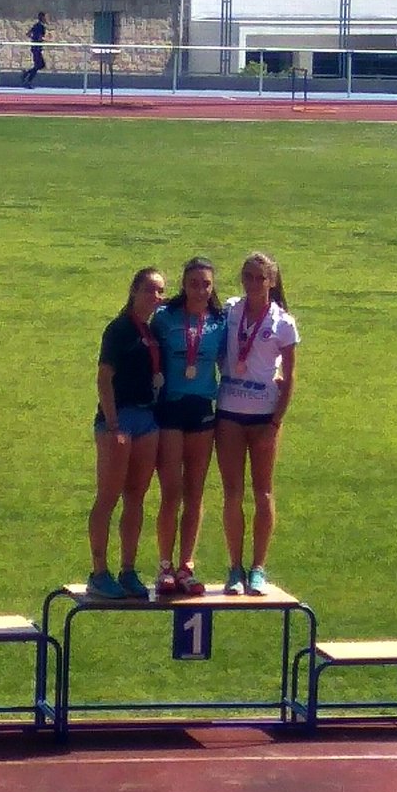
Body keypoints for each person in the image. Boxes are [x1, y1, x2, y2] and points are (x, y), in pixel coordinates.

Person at [215, 252, 300, 596]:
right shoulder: (231, 310)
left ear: (272, 281)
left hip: (264, 416)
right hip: (229, 412)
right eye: (247, 276)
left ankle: (258, 569)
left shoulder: (283, 322)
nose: (252, 284)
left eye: (259, 278)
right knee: (232, 492)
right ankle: (235, 568)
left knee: (263, 491)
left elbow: (291, 375)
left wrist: (276, 421)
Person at [87, 268, 167, 599]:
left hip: (147, 419)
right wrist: (114, 423)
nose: (156, 297)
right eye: (149, 290)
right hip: (118, 421)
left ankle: (128, 570)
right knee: (108, 496)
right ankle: (99, 572)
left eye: (161, 291)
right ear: (134, 291)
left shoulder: (152, 331)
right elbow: (104, 379)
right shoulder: (119, 329)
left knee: (136, 497)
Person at [151, 257, 229, 596]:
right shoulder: (165, 319)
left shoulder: (219, 322)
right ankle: (165, 566)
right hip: (170, 409)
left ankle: (187, 566)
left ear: (213, 288)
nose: (200, 289)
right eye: (194, 283)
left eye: (206, 284)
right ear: (184, 284)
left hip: (202, 411)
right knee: (172, 491)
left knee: (195, 492)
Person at [22, 12, 47, 87]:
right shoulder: (41, 26)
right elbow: (39, 37)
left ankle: (26, 74)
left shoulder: (36, 25)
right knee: (39, 65)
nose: (46, 19)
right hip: (37, 48)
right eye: (45, 17)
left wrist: (33, 38)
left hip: (35, 48)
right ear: (42, 17)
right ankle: (28, 79)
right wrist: (45, 39)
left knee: (39, 65)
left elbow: (28, 34)